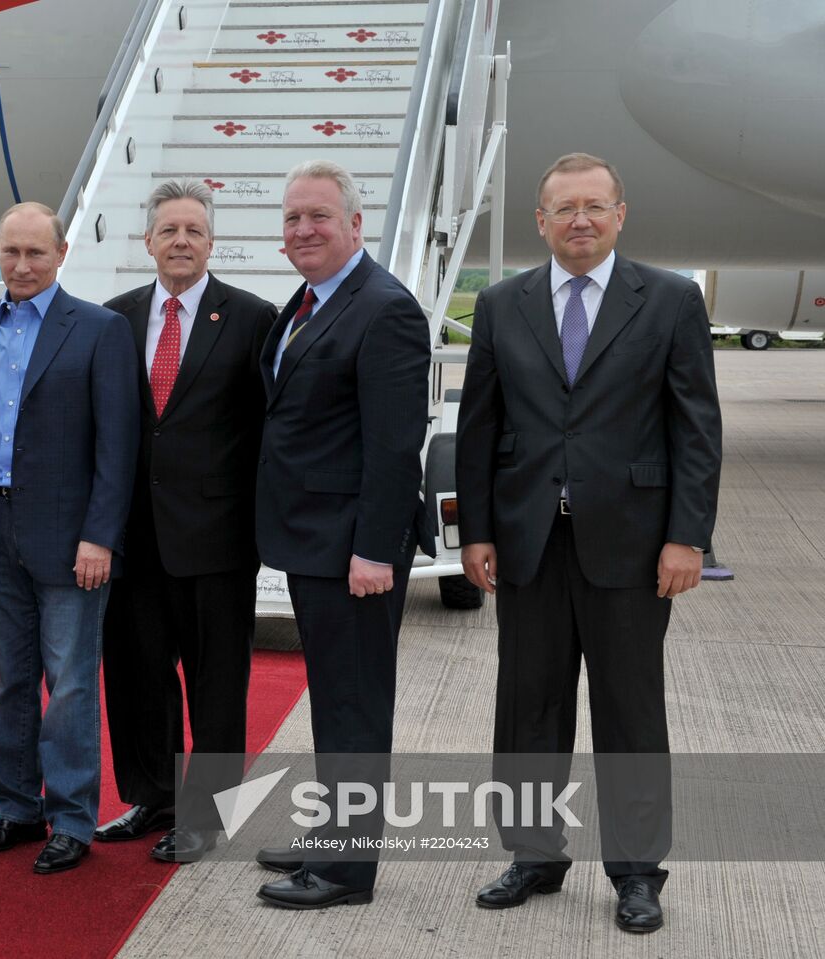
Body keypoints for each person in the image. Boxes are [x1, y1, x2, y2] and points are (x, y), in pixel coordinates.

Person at [455, 152, 722, 934]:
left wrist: (687, 537)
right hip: (528, 542)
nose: (580, 219)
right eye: (564, 208)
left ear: (619, 215)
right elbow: (479, 427)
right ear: (540, 220)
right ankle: (534, 855)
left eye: (594, 207)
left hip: (635, 548)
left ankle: (638, 871)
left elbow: (696, 429)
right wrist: (475, 530)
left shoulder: (669, 301)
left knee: (630, 712)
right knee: (527, 707)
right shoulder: (503, 305)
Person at [253, 159, 434, 909]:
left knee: (355, 706)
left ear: (355, 224)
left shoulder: (384, 307)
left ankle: (346, 871)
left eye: (319, 216)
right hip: (315, 541)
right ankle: (334, 836)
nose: (303, 229)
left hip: (352, 547)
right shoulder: (305, 300)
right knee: (333, 699)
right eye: (293, 217)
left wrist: (372, 549)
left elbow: (396, 445)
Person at [94, 179, 275, 862]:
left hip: (218, 541)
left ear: (211, 242)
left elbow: (265, 431)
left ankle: (208, 814)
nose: (181, 241)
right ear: (148, 241)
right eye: (169, 230)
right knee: (138, 678)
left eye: (193, 230)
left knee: (217, 684)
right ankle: (154, 797)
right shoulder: (115, 318)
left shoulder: (253, 318)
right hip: (133, 538)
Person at [0, 201, 138, 874]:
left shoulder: (98, 329)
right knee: (5, 682)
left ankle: (70, 817)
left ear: (61, 254)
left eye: (36, 253)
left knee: (68, 685)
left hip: (71, 540)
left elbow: (118, 446)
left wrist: (101, 536)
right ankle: (14, 806)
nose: (23, 265)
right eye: (11, 253)